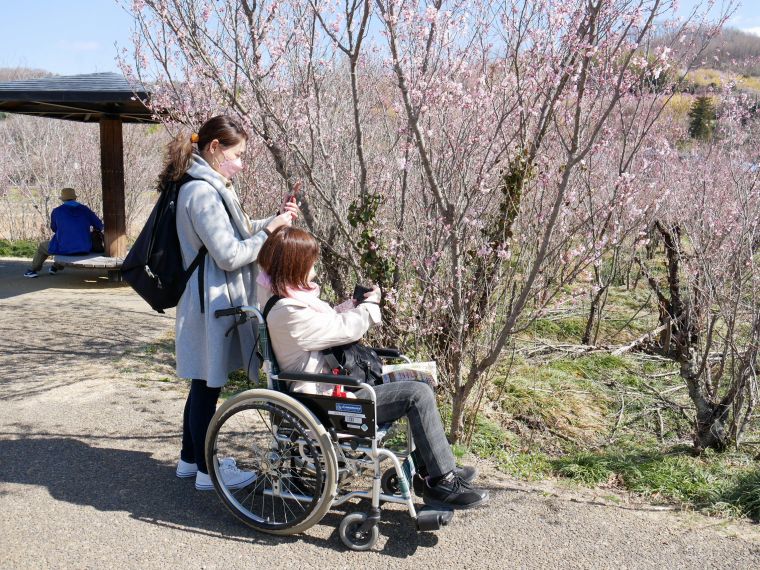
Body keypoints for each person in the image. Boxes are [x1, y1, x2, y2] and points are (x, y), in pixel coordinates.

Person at [257, 226, 489, 510]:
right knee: (417, 394)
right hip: (326, 402)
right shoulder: (286, 311)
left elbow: (326, 323)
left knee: (423, 380)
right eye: (311, 262)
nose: (314, 268)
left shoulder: (284, 296)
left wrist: (353, 304)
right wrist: (370, 307)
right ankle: (442, 481)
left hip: (335, 386)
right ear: (294, 266)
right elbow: (342, 329)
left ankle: (431, 469)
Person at [167, 115, 300, 491]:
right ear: (214, 149)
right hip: (210, 301)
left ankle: (190, 461)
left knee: (203, 385)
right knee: (208, 385)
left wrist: (275, 221)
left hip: (207, 298)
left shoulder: (211, 186)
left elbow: (236, 233)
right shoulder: (203, 193)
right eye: (237, 155)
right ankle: (209, 473)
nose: (241, 164)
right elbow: (228, 254)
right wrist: (270, 232)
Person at [23, 187, 104, 278]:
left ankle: (33, 270)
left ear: (63, 199)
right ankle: (54, 268)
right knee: (67, 244)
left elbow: (54, 228)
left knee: (43, 246)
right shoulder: (85, 210)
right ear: (75, 198)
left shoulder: (57, 211)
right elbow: (100, 226)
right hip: (85, 248)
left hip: (64, 248)